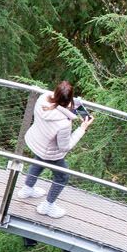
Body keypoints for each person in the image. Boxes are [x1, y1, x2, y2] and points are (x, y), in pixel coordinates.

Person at [16, 80, 93, 219]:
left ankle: (27, 189)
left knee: (38, 161)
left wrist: (74, 103)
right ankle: (47, 206)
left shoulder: (42, 99)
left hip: (37, 141)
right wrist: (82, 128)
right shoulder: (63, 124)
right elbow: (65, 147)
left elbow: (56, 105)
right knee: (62, 176)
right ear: (68, 101)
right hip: (50, 153)